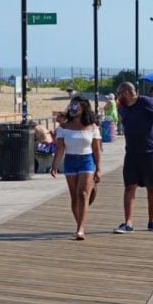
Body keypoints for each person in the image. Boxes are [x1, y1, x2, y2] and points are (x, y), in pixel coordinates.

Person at [114, 81, 153, 233]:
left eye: (119, 94)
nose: (118, 97)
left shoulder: (145, 101)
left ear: (125, 92)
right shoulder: (123, 108)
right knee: (129, 186)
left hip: (150, 152)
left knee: (151, 187)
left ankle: (152, 221)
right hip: (131, 153)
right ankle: (128, 223)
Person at [51, 97, 102, 240]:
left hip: (86, 160)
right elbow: (60, 148)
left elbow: (96, 149)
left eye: (75, 106)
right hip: (70, 161)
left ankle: (80, 228)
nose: (72, 109)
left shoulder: (92, 127)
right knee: (74, 197)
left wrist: (98, 168)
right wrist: (55, 165)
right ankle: (80, 224)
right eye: (71, 106)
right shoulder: (63, 128)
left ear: (83, 108)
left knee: (83, 194)